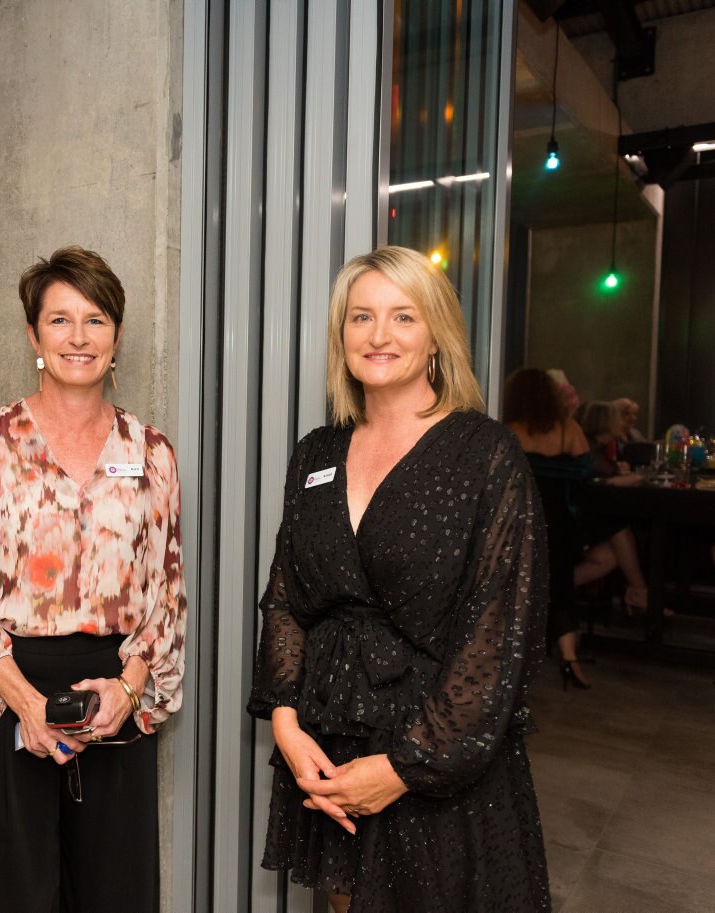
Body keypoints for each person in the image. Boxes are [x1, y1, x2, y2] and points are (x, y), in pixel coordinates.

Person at [248, 246, 550, 912]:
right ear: (341, 335)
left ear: (437, 335)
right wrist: (289, 724)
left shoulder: (484, 453)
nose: (379, 335)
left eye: (402, 316)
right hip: (332, 737)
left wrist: (405, 766)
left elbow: (500, 633)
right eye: (361, 317)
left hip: (441, 756)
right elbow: (287, 597)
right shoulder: (317, 452)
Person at [0, 245, 186, 913]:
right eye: (60, 319)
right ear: (33, 335)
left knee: (113, 891)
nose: (78, 337)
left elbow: (168, 590)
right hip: (9, 692)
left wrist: (129, 690)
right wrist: (27, 703)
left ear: (117, 334)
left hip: (114, 698)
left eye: (96, 319)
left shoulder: (150, 452)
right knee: (10, 892)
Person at [504, 368, 596, 688]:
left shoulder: (510, 431)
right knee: (562, 588)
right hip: (559, 523)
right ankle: (570, 660)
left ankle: (514, 665)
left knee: (519, 590)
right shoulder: (567, 429)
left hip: (521, 524)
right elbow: (586, 471)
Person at [573, 400, 651, 616]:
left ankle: (549, 588)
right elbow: (593, 483)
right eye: (619, 418)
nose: (626, 423)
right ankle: (639, 592)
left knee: (611, 554)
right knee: (619, 528)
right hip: (575, 516)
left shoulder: (597, 446)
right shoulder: (586, 446)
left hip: (587, 512)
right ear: (605, 422)